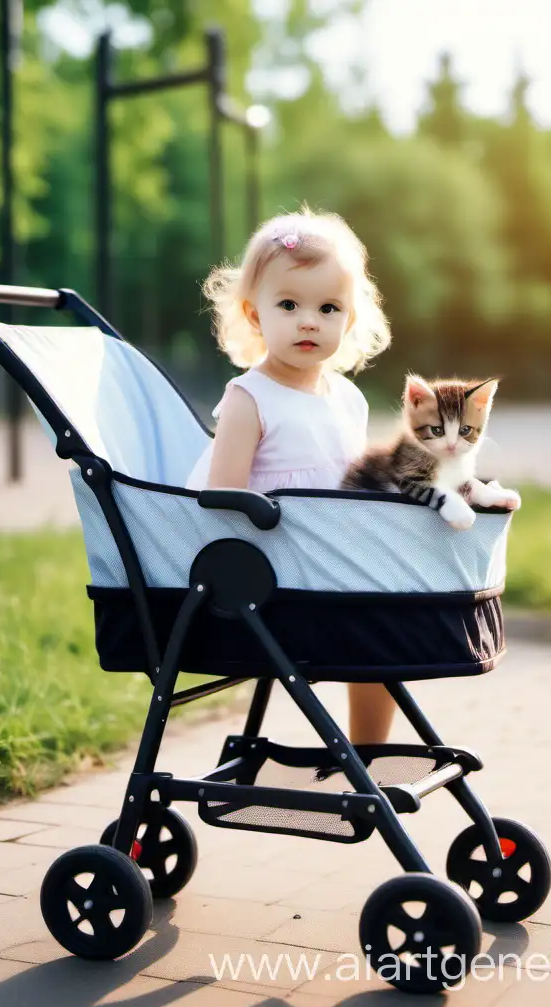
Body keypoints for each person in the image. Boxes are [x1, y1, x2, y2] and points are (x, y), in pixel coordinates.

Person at [186, 205, 397, 745]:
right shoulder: (249, 398)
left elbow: (356, 487)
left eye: (329, 308)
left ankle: (367, 756)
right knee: (379, 628)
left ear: (349, 319)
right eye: (289, 304)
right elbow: (223, 499)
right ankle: (363, 763)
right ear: (254, 315)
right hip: (271, 573)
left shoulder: (347, 398)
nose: (309, 320)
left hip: (331, 560)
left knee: (392, 631)